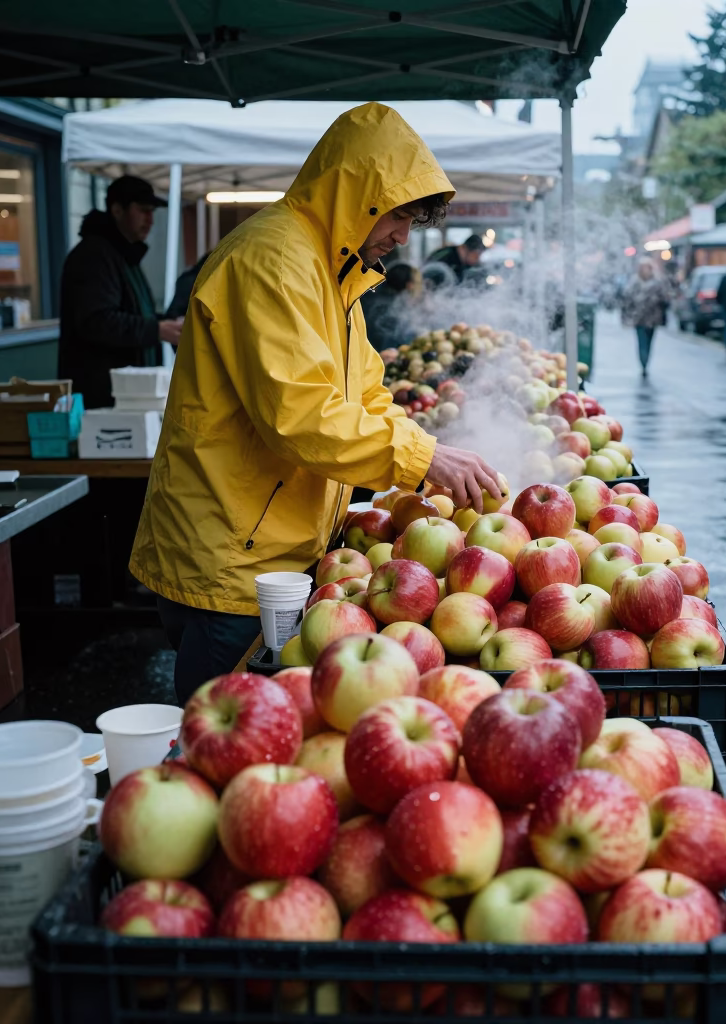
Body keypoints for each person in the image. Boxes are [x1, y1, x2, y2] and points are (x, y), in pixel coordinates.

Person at [129, 103, 502, 704]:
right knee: (229, 736)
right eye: (400, 215)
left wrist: (425, 459)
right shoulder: (274, 261)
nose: (404, 236)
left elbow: (365, 393)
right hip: (232, 559)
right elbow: (299, 414)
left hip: (270, 549)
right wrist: (420, 457)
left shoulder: (335, 270)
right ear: (358, 196)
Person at [58, 176, 183, 408]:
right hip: (101, 399)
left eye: (152, 212)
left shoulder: (125, 255)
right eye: (143, 211)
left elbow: (131, 313)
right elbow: (96, 321)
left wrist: (164, 324)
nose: (150, 220)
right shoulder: (94, 256)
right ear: (117, 210)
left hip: (125, 396)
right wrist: (156, 329)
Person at [620, 259, 669, 377]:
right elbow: (627, 300)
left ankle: (645, 361)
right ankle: (644, 363)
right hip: (639, 319)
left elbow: (664, 300)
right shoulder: (634, 283)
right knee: (642, 342)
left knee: (649, 342)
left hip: (653, 319)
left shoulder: (657, 283)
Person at [361, 262, 422, 351]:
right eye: (417, 283)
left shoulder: (373, 296)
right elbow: (387, 343)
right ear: (409, 285)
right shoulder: (388, 308)